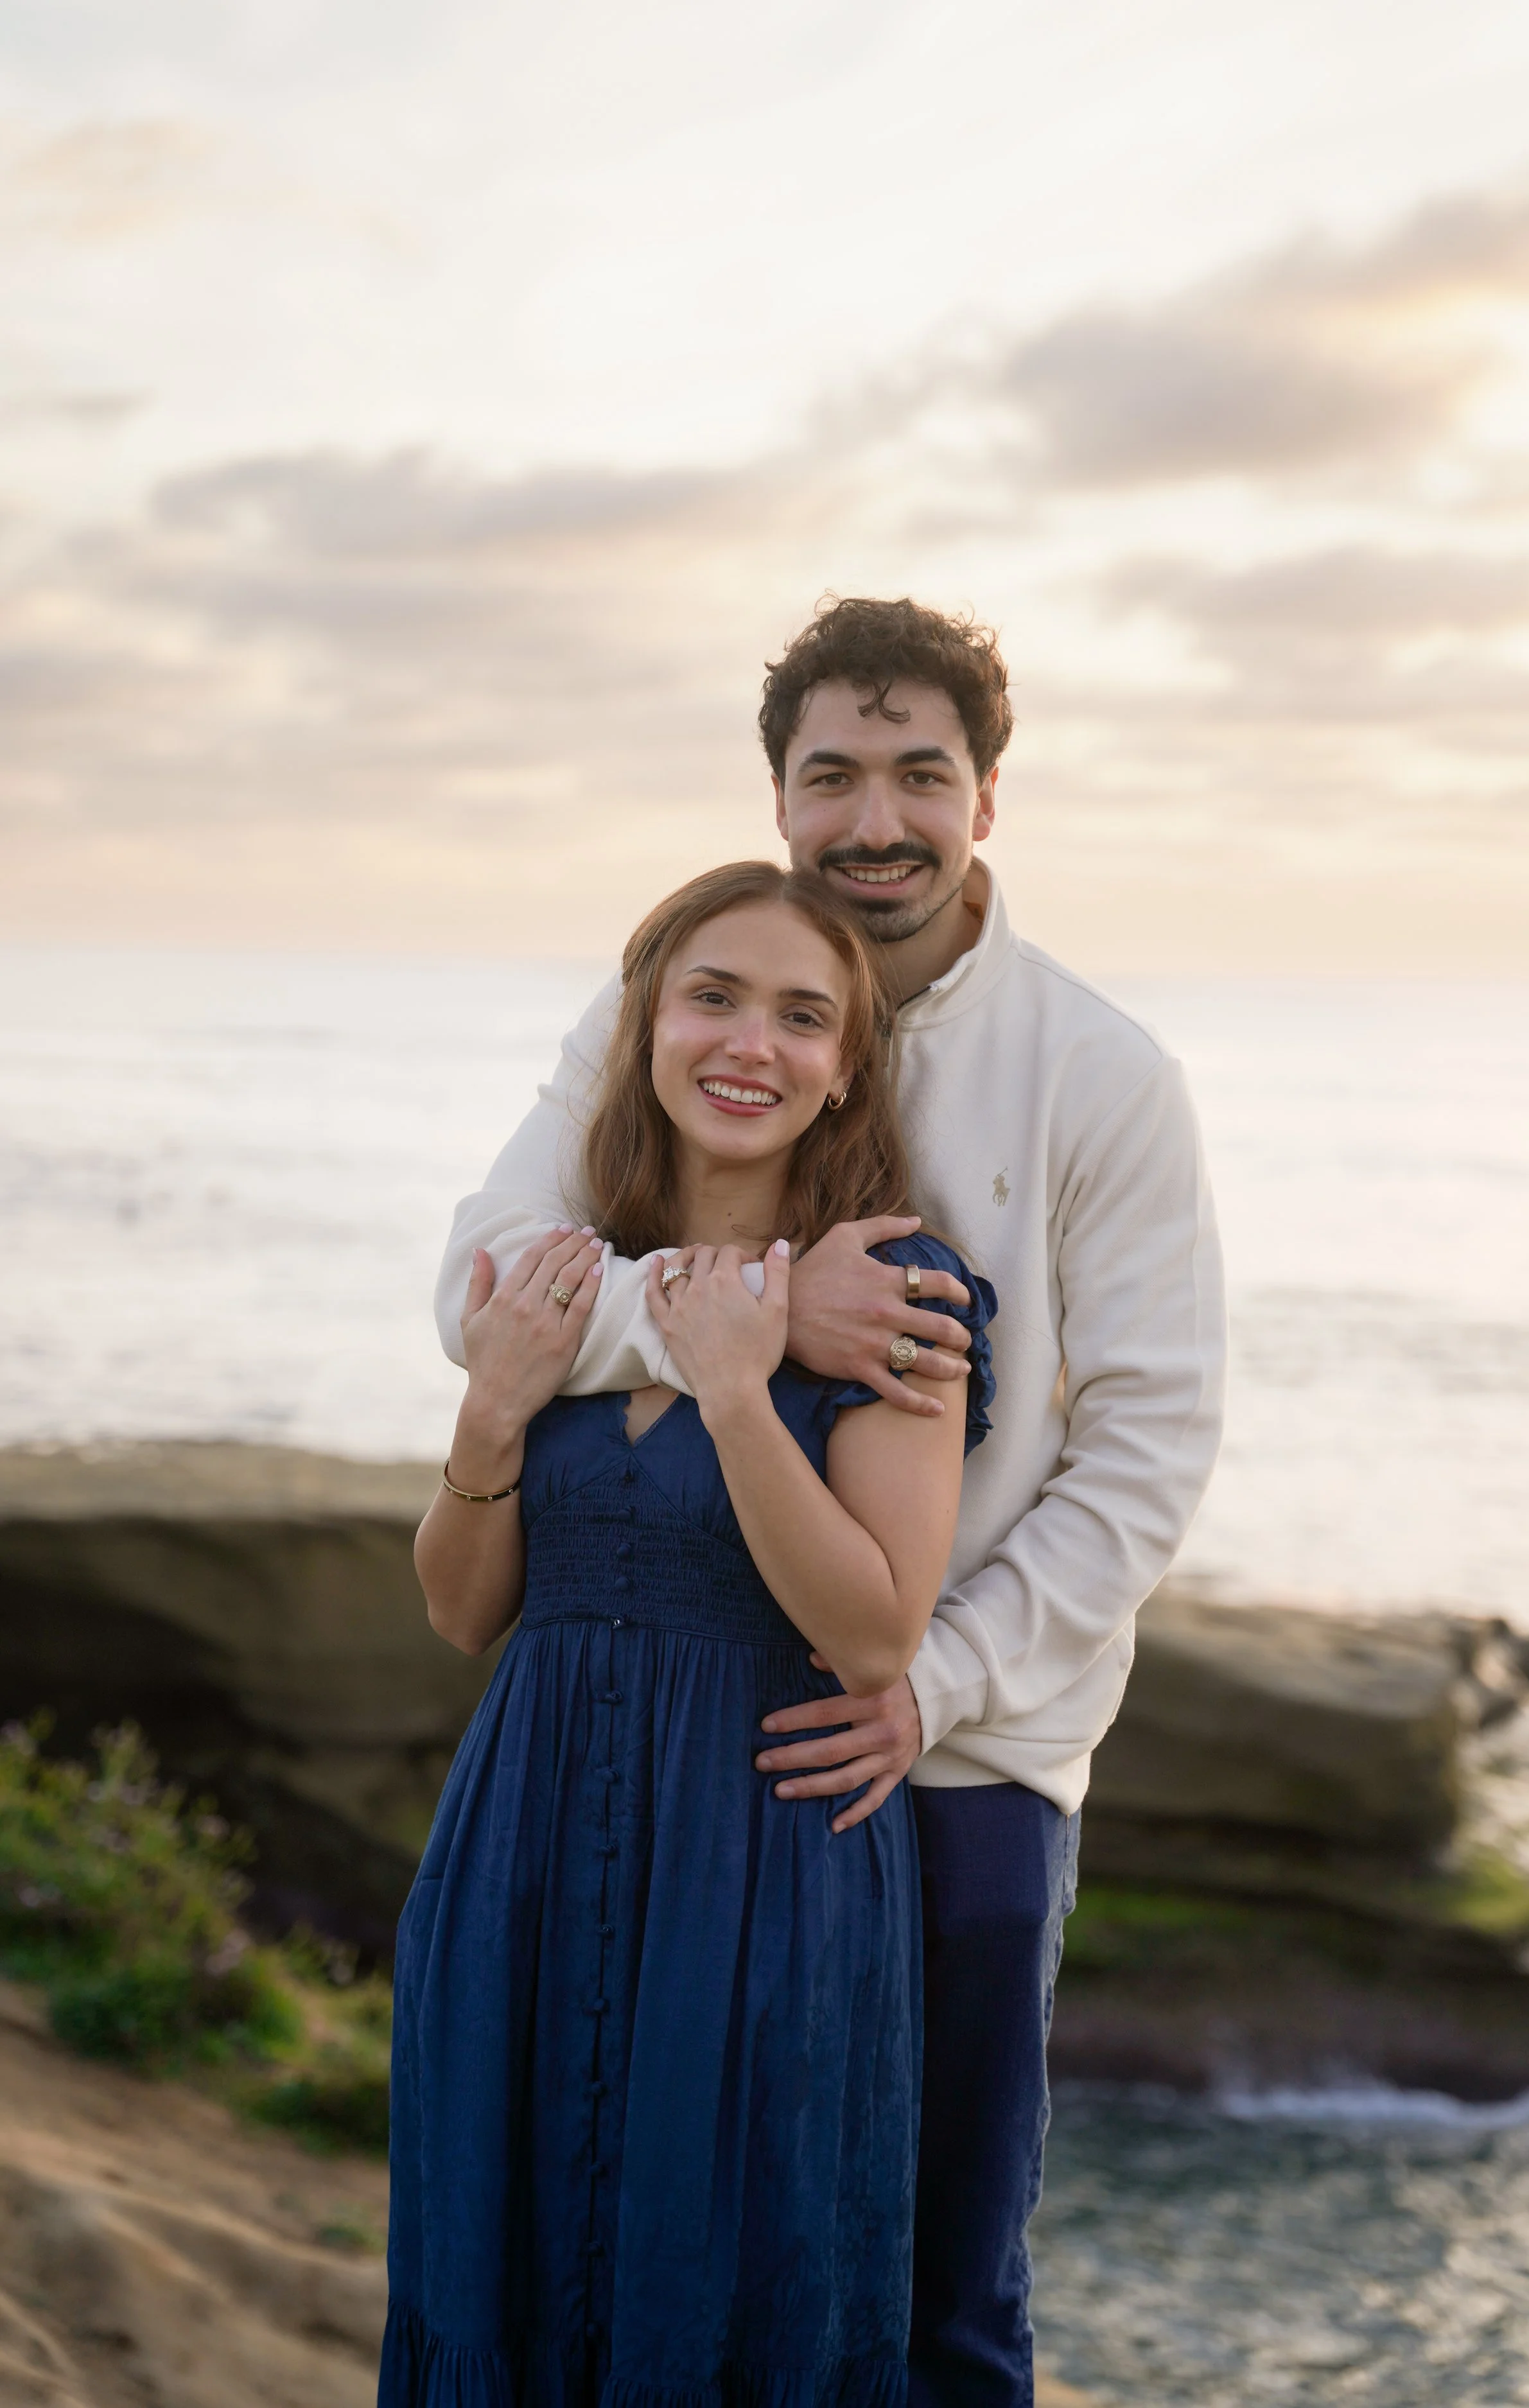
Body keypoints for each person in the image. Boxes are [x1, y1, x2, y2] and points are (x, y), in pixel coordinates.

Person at [434, 598, 1228, 2408]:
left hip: (960, 1749)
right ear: (779, 794)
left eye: (919, 774)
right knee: (622, 2225)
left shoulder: (1103, 1077)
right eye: (832, 774)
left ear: (987, 798)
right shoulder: (687, 1001)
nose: (875, 816)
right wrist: (745, 1316)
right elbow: (476, 1281)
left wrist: (927, 1682)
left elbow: (1143, 1451)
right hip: (679, 1709)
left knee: (923, 2273)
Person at [385, 860, 997, 2407]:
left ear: (843, 1068)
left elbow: (873, 1633)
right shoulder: (563, 1276)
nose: (751, 1045)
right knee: (498, 2272)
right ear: (642, 1026)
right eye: (712, 997)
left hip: (757, 1871)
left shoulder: (898, 1295)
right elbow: (463, 1612)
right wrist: (492, 1410)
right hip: (520, 1846)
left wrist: (738, 1389)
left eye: (803, 1017)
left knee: (723, 2288)